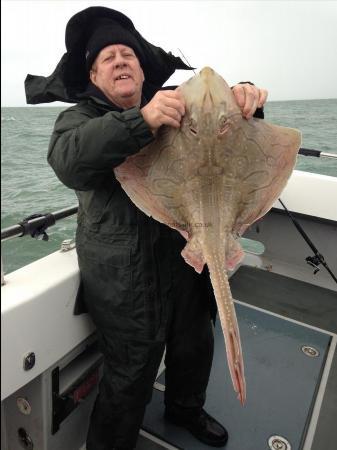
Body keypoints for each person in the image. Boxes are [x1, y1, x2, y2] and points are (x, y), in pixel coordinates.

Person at [25, 6, 268, 450]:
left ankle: (186, 409)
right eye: (108, 58)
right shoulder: (77, 121)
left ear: (141, 68)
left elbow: (234, 136)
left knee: (194, 346)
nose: (120, 61)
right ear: (94, 77)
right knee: (130, 373)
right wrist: (142, 120)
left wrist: (248, 97)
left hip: (185, 257)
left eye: (128, 55)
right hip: (124, 279)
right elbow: (69, 162)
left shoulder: (180, 104)